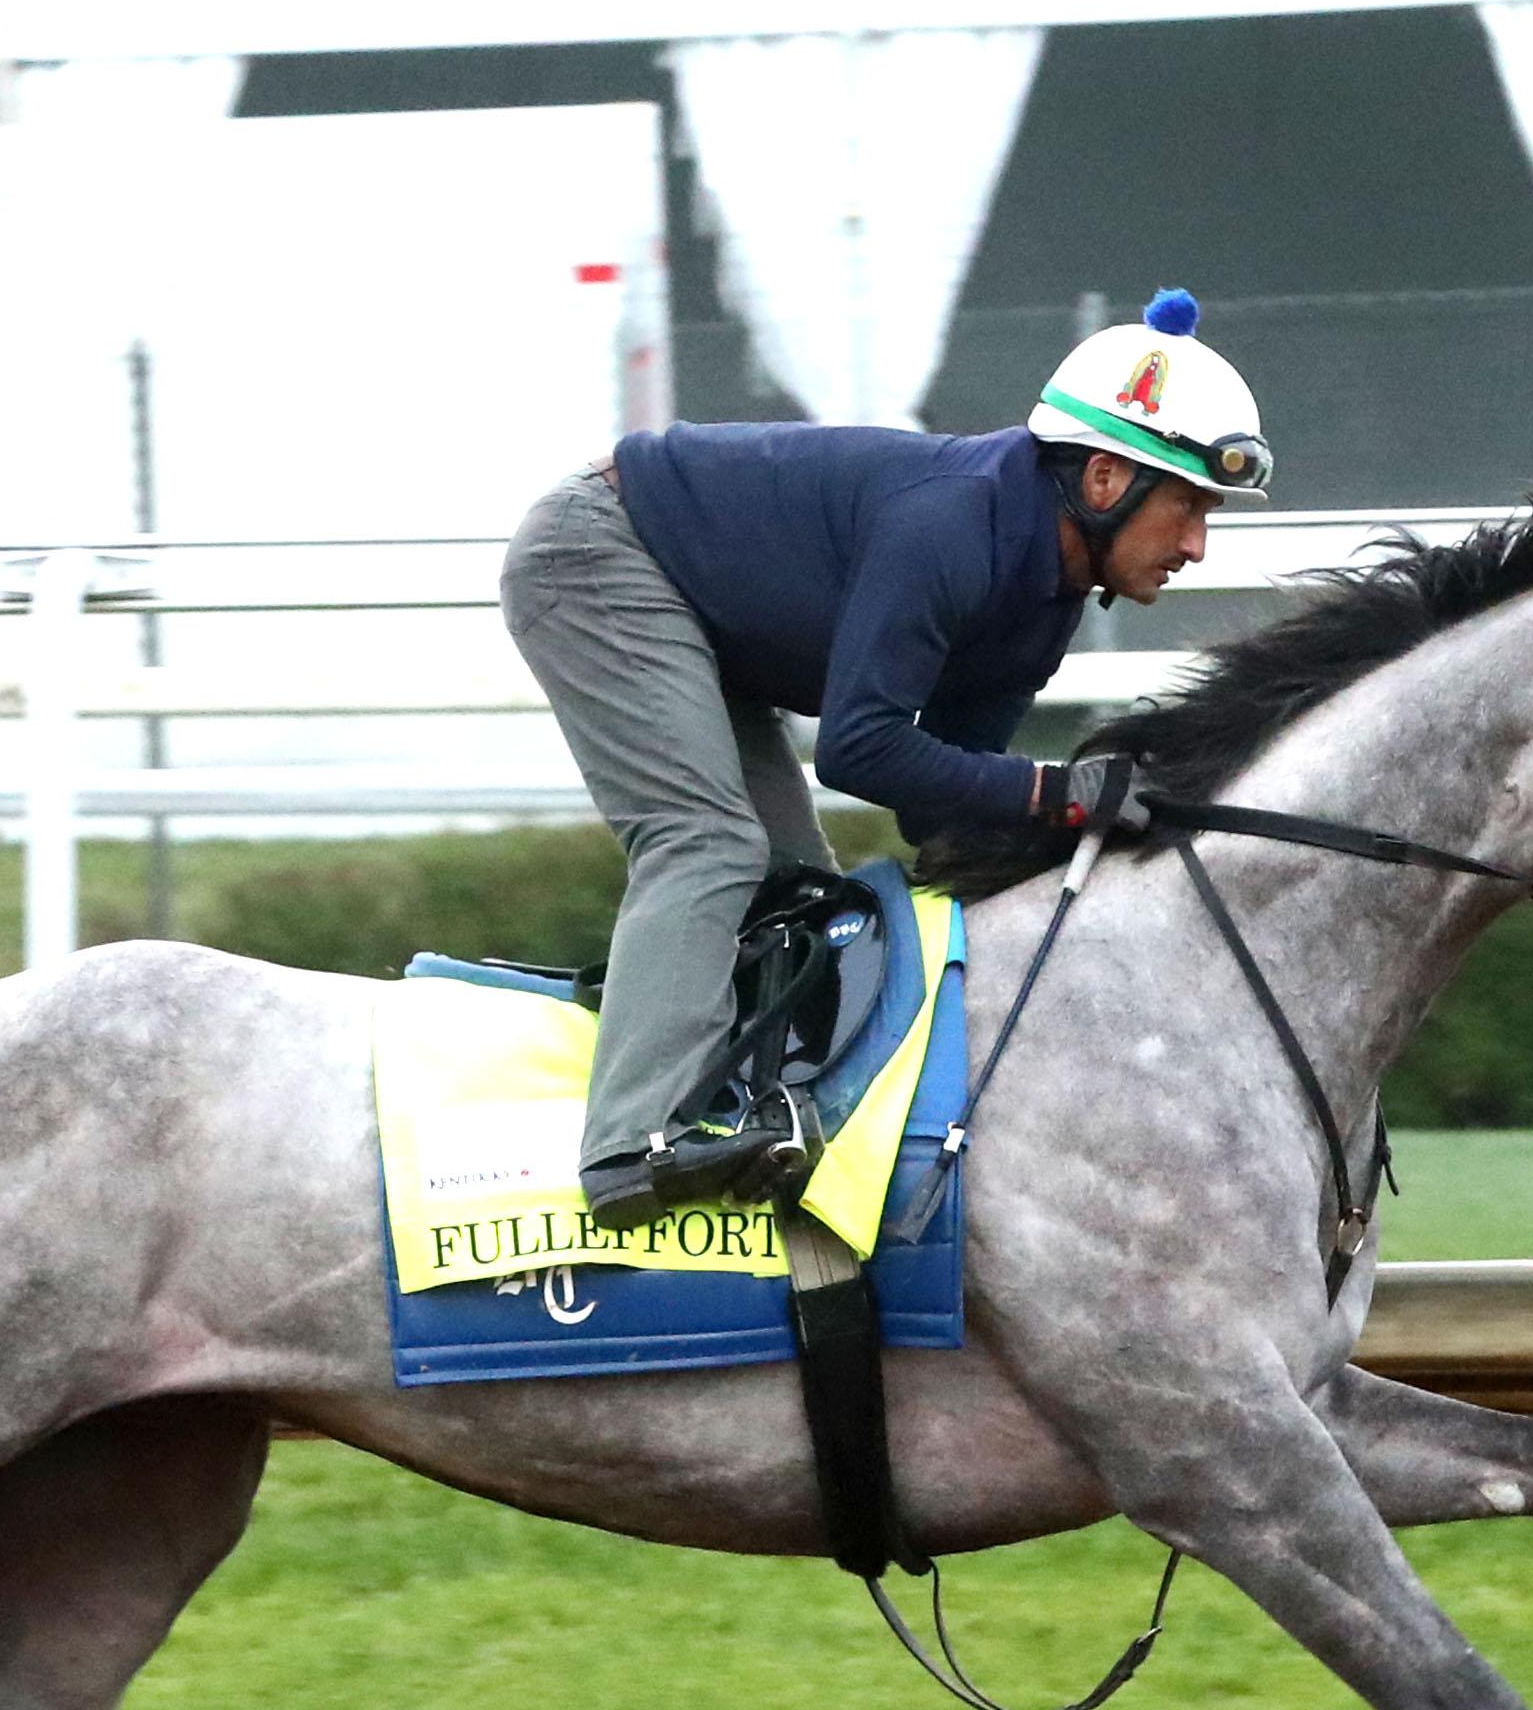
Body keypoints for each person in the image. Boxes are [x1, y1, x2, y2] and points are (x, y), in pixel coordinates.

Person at [502, 288, 1274, 1229]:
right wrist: (1056, 793)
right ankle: (631, 1147)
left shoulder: (1045, 603)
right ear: (1106, 481)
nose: (1196, 544)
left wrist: (1104, 821)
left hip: (697, 601)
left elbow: (941, 809)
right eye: (1189, 506)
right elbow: (861, 751)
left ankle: (743, 1117)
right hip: (598, 550)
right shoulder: (953, 524)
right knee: (707, 846)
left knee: (799, 889)